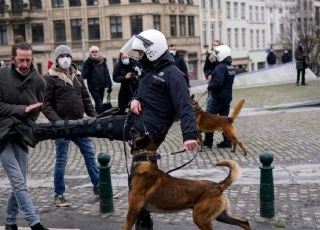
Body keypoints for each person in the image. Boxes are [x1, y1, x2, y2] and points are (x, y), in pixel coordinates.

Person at [12, 29, 198, 230]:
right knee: (137, 181)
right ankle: (144, 225)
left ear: (153, 52)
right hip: (135, 123)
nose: (139, 57)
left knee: (88, 126)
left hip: (146, 133)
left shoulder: (173, 74)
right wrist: (136, 99)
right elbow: (140, 92)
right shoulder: (150, 70)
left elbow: (184, 105)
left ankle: (37, 132)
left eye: (142, 53)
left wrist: (189, 134)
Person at [0, 42, 48, 230]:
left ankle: (10, 222)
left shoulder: (39, 81)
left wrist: (28, 116)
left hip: (22, 133)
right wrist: (22, 109)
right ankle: (35, 223)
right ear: (12, 58)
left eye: (28, 60)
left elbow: (38, 108)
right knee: (18, 182)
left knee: (20, 180)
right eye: (21, 60)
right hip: (1, 132)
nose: (24, 64)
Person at [42, 45, 100, 207]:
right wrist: (57, 122)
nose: (65, 58)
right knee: (61, 160)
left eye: (68, 55)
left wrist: (95, 118)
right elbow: (46, 105)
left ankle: (99, 187)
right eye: (62, 56)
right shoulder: (50, 77)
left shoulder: (77, 75)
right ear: (57, 59)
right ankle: (58, 194)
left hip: (79, 123)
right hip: (61, 126)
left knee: (89, 155)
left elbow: (86, 98)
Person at [203, 45, 236, 149]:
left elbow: (218, 83)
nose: (215, 56)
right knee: (224, 120)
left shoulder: (220, 67)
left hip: (217, 97)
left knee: (209, 119)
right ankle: (227, 141)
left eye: (217, 54)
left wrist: (209, 87)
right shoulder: (230, 67)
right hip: (227, 97)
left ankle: (208, 141)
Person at [82, 45, 113, 114]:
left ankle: (97, 116)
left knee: (99, 102)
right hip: (93, 87)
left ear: (98, 52)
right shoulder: (87, 63)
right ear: (90, 53)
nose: (94, 53)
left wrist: (109, 85)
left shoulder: (103, 61)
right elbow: (84, 75)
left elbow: (106, 73)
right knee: (99, 102)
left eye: (96, 51)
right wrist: (89, 67)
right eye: (92, 52)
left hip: (102, 86)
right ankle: (101, 116)